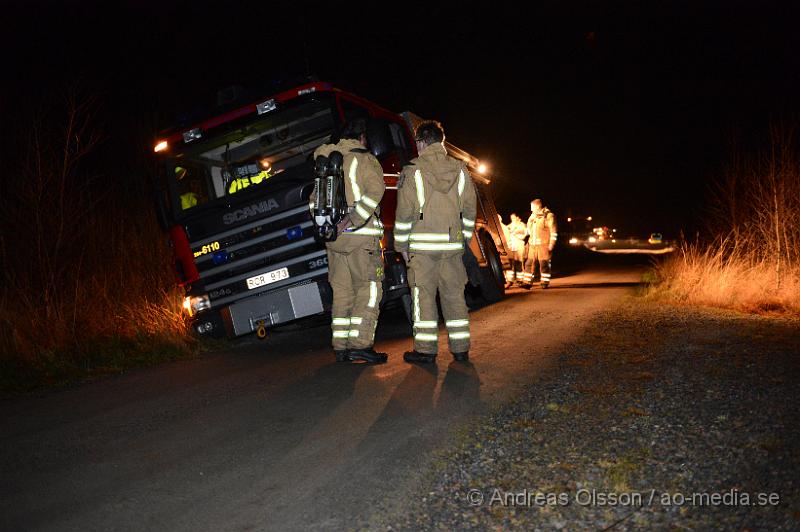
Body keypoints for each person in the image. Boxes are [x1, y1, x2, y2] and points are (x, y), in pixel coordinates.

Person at [394, 120, 477, 363]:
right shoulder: (460, 169)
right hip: (452, 247)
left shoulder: (413, 169)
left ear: (420, 142)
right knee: (454, 297)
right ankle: (461, 349)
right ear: (441, 142)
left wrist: (401, 245)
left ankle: (425, 351)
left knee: (423, 298)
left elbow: (405, 213)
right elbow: (470, 210)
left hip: (422, 250)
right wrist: (464, 238)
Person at [312, 118, 387, 363]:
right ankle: (360, 344)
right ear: (362, 137)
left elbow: (313, 201)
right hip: (361, 238)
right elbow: (376, 191)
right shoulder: (364, 159)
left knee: (342, 292)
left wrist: (331, 225)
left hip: (333, 240)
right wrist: (352, 219)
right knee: (369, 289)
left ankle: (341, 346)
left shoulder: (325, 162)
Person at [522, 198, 557, 289]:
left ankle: (544, 282)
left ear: (537, 206)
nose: (530, 209)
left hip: (544, 245)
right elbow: (529, 231)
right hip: (532, 246)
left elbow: (553, 231)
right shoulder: (533, 216)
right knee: (528, 264)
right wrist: (530, 221)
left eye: (532, 207)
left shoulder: (548, 216)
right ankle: (527, 283)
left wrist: (551, 244)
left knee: (544, 264)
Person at [505, 213, 527, 287]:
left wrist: (516, 233)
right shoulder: (510, 226)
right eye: (511, 218)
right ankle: (510, 280)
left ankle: (519, 280)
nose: (512, 219)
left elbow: (525, 234)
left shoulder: (522, 225)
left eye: (514, 218)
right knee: (510, 264)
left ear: (518, 217)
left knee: (519, 264)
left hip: (519, 246)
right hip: (512, 247)